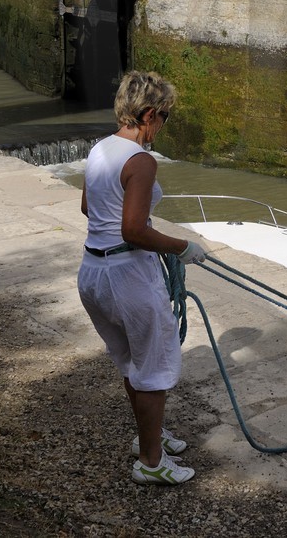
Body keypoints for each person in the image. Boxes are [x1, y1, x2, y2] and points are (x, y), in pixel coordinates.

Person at [76, 71, 207, 486]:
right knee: (152, 369)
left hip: (93, 271)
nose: (163, 126)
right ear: (149, 114)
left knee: (133, 363)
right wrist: (181, 247)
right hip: (127, 275)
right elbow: (133, 230)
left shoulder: (100, 149)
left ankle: (149, 437)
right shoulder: (141, 160)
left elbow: (88, 208)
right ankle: (152, 463)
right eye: (164, 117)